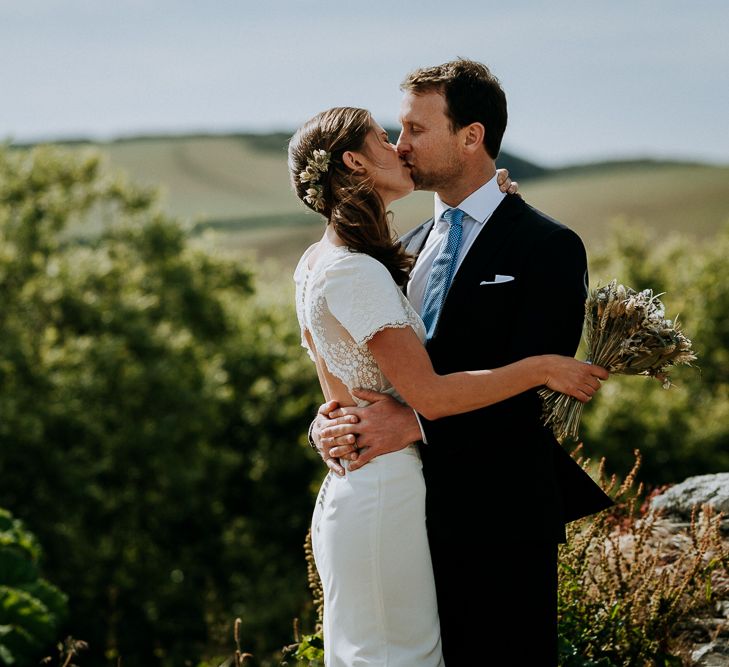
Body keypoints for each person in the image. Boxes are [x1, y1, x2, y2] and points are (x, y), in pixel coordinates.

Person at [310, 59, 616, 666]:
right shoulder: (401, 251)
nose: (401, 147)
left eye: (416, 130)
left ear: (471, 136)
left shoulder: (547, 246)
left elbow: (540, 392)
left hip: (497, 517)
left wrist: (417, 423)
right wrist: (332, 419)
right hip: (402, 516)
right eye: (397, 132)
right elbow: (373, 365)